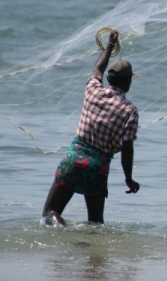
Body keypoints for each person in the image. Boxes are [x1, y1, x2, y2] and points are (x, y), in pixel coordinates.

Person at [42, 31, 140, 226]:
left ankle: (62, 230)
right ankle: (93, 253)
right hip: (98, 166)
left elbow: (98, 69)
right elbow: (127, 147)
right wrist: (129, 178)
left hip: (74, 158)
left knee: (50, 213)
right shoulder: (130, 111)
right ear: (128, 81)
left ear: (110, 80)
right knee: (95, 223)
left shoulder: (93, 89)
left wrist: (109, 47)